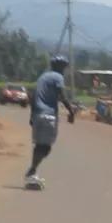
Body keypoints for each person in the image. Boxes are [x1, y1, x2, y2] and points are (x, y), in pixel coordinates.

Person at [25, 55, 75, 183]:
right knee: (45, 147)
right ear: (60, 67)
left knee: (39, 145)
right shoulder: (58, 77)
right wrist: (71, 112)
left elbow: (34, 95)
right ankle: (32, 170)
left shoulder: (43, 77)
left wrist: (32, 115)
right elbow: (63, 96)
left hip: (37, 114)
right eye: (64, 67)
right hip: (49, 114)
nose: (64, 70)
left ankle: (33, 171)